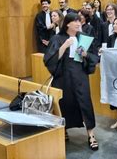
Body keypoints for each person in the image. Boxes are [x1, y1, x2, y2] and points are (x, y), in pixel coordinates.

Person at [43, 13, 100, 151]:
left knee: (85, 102)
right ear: (68, 23)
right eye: (75, 21)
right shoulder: (57, 38)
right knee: (65, 103)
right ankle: (64, 130)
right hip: (63, 75)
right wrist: (64, 46)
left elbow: (93, 56)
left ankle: (91, 135)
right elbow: (49, 59)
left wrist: (86, 55)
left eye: (79, 21)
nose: (78, 23)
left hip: (80, 74)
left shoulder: (83, 38)